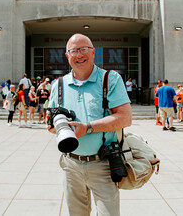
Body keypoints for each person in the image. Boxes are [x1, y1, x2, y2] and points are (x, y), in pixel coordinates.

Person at [47, 33, 132, 215]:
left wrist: (87, 128)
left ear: (93, 52)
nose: (79, 55)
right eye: (74, 51)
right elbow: (52, 122)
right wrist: (57, 127)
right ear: (67, 55)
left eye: (83, 49)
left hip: (103, 163)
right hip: (71, 165)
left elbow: (125, 118)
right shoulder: (59, 85)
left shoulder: (110, 79)